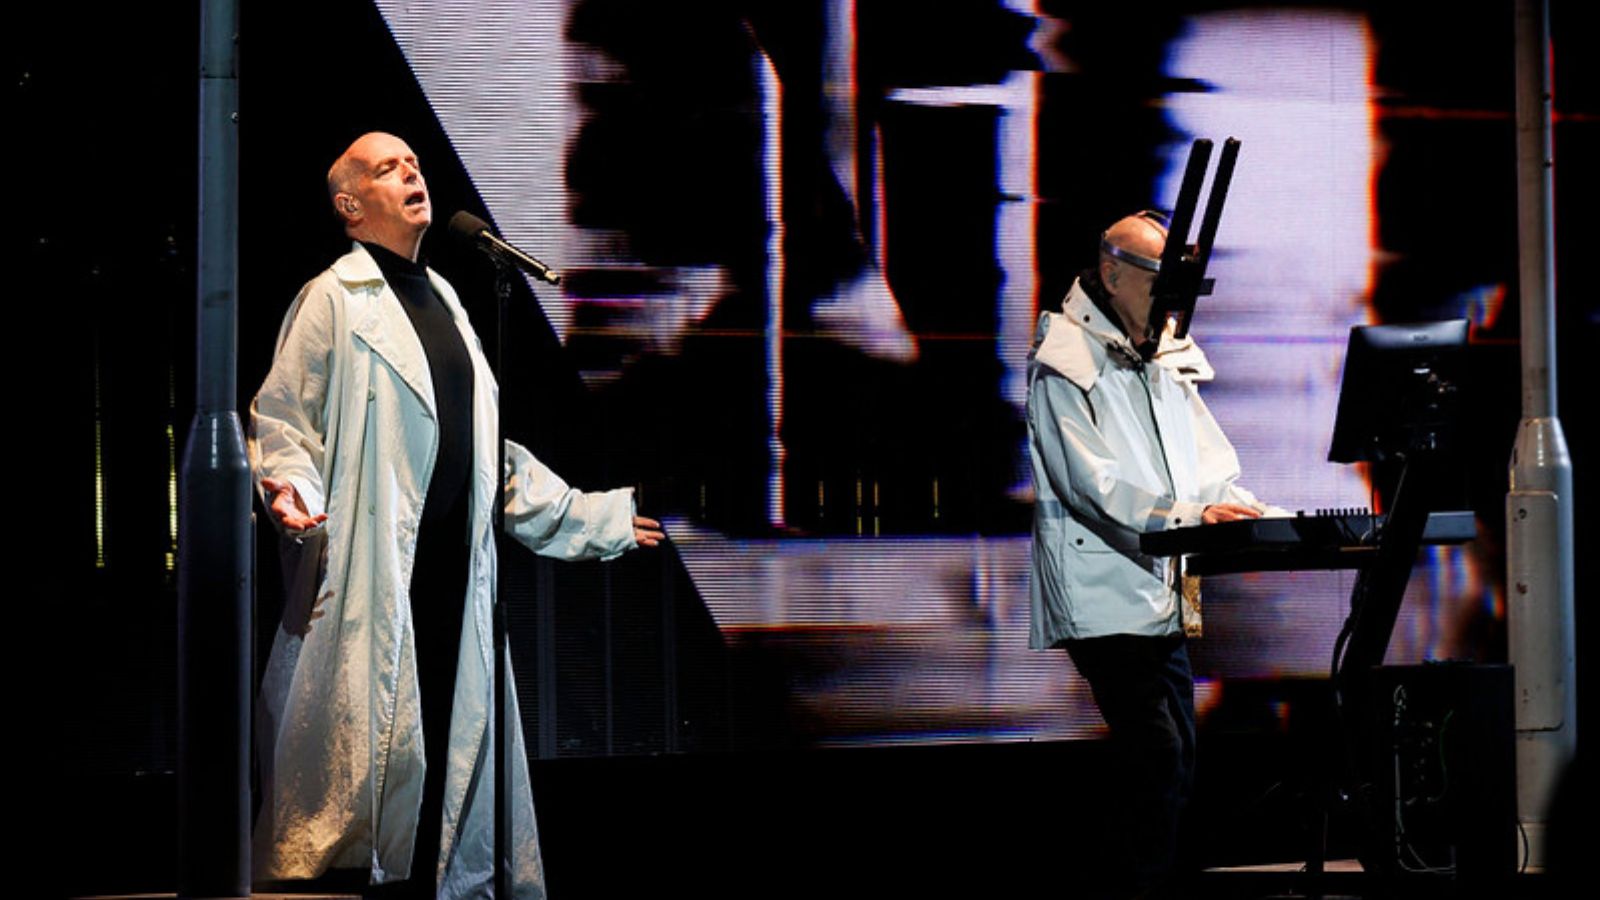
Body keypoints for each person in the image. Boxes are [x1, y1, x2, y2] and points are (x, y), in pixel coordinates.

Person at [249, 131, 664, 899]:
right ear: (350, 206)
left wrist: (590, 519)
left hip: (448, 580)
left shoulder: (445, 300)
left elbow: (486, 455)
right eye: (388, 168)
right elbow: (283, 419)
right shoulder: (332, 299)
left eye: (414, 163)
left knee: (446, 769)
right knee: (358, 793)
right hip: (375, 577)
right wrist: (290, 488)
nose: (412, 173)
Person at [1026, 211, 1274, 897]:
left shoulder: (1164, 358)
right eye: (1159, 279)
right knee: (1155, 751)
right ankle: (1130, 893)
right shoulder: (1065, 362)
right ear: (1111, 275)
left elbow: (1210, 465)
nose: (1173, 298)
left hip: (1168, 589)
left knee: (1179, 753)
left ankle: (1147, 885)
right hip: (1105, 593)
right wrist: (1190, 516)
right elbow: (1093, 485)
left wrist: (1246, 509)